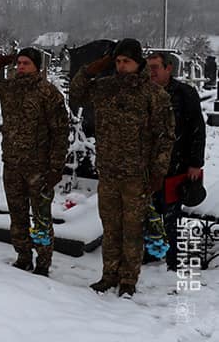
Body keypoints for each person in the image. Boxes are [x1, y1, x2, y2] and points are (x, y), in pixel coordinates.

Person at [69, 38, 174, 298]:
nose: (121, 66)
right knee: (111, 228)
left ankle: (128, 279)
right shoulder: (105, 88)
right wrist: (97, 65)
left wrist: (159, 171)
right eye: (117, 61)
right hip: (109, 171)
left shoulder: (153, 94)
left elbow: (165, 136)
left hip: (137, 175)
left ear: (138, 63)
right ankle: (108, 275)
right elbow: (77, 91)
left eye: (126, 61)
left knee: (132, 230)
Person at [0, 48, 69, 277]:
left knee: (41, 218)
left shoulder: (48, 93)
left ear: (37, 66)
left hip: (39, 167)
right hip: (12, 164)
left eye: (25, 63)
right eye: (18, 63)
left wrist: (56, 167)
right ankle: (23, 257)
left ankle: (43, 262)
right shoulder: (9, 89)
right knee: (17, 215)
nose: (20, 67)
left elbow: (60, 133)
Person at [146, 51, 206, 270]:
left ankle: (176, 259)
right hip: (149, 165)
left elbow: (197, 129)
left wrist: (195, 163)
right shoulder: (144, 91)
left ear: (168, 68)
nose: (151, 71)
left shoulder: (184, 93)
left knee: (174, 215)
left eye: (155, 67)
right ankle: (152, 252)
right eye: (148, 67)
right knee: (150, 211)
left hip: (176, 163)